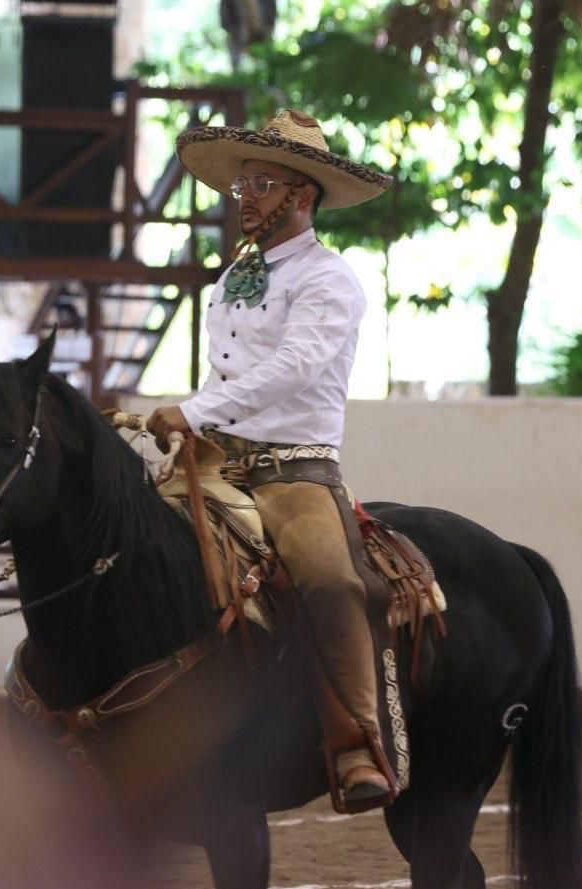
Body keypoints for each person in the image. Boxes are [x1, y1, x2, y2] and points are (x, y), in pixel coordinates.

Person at [147, 108, 395, 811]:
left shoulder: (331, 280)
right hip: (220, 461)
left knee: (330, 581)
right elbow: (230, 379)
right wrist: (191, 425)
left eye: (261, 182)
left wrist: (193, 411)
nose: (246, 196)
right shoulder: (235, 278)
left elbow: (293, 367)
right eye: (241, 186)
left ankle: (357, 744)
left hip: (296, 470)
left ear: (303, 194)